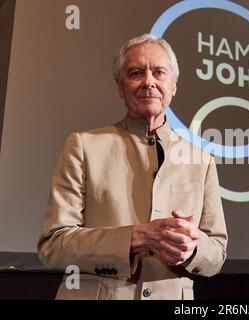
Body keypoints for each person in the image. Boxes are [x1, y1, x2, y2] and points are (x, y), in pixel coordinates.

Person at [37, 34, 228, 300]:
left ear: (173, 86)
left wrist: (192, 249)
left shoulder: (201, 159)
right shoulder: (83, 146)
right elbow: (53, 245)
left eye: (159, 72)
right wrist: (138, 237)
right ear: (120, 87)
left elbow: (217, 253)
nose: (149, 82)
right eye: (136, 73)